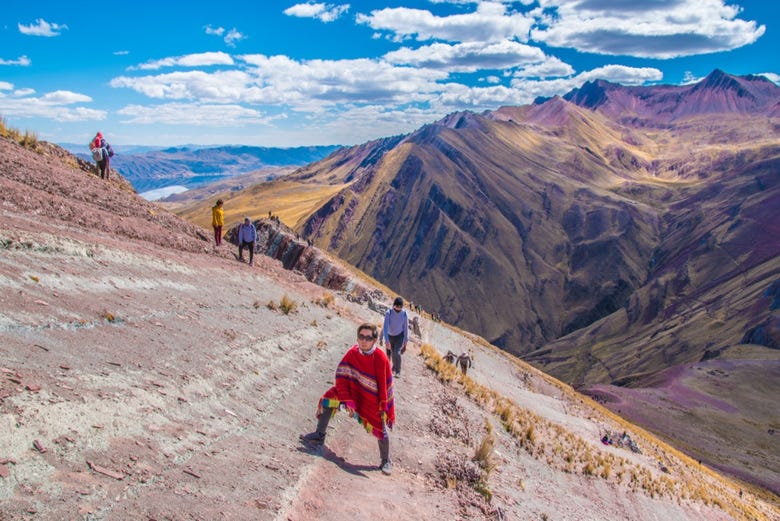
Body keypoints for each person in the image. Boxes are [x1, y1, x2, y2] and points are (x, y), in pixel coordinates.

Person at [300, 323, 395, 475]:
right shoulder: (352, 353)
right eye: (361, 337)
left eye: (368, 338)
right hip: (352, 392)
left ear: (375, 340)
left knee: (379, 425)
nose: (364, 340)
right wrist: (347, 399)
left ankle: (386, 460)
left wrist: (382, 405)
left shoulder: (381, 358)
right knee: (328, 399)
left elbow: (383, 385)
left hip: (372, 396)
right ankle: (319, 435)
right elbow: (341, 374)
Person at [383, 296, 409, 378]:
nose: (398, 309)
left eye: (400, 307)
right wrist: (386, 340)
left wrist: (405, 342)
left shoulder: (404, 314)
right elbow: (385, 327)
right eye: (397, 306)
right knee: (390, 354)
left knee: (397, 353)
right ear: (394, 305)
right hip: (390, 337)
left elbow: (405, 328)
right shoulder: (389, 313)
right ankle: (392, 368)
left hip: (399, 336)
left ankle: (398, 371)